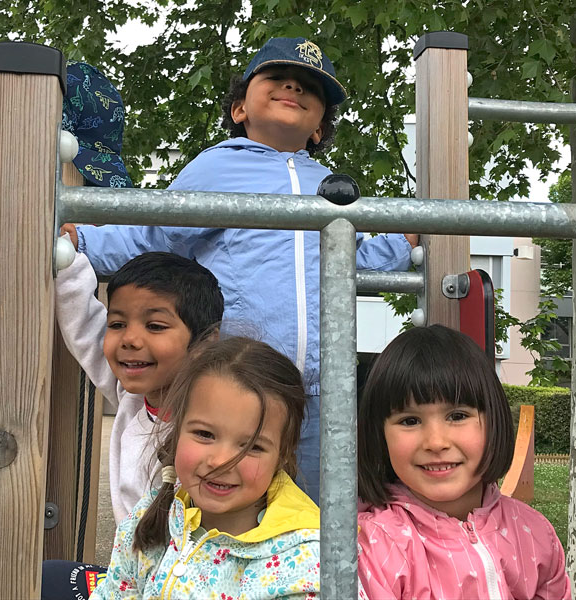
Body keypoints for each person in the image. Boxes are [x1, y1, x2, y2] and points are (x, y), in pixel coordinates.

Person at [61, 37, 418, 503]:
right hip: (238, 379)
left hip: (320, 388)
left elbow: (348, 260)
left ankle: (307, 576)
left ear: (318, 128)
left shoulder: (327, 185)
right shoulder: (216, 169)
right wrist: (82, 243)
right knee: (236, 498)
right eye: (276, 78)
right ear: (239, 110)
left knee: (315, 506)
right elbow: (157, 234)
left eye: (311, 88)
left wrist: (402, 238)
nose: (294, 85)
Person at [41, 251, 224, 600]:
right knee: (44, 579)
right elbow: (88, 333)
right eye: (118, 323)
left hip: (188, 585)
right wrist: (65, 261)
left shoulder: (218, 428)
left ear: (205, 343)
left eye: (154, 326)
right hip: (132, 577)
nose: (129, 339)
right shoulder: (134, 398)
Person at [89, 336, 321, 599]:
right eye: (204, 434)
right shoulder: (149, 517)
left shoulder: (305, 567)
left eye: (252, 447)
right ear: (176, 431)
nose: (221, 461)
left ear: (282, 457)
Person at [356, 325, 571, 600]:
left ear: (494, 421)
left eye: (457, 416)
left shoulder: (535, 534)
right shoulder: (375, 545)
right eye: (410, 421)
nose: (436, 442)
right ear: (379, 435)